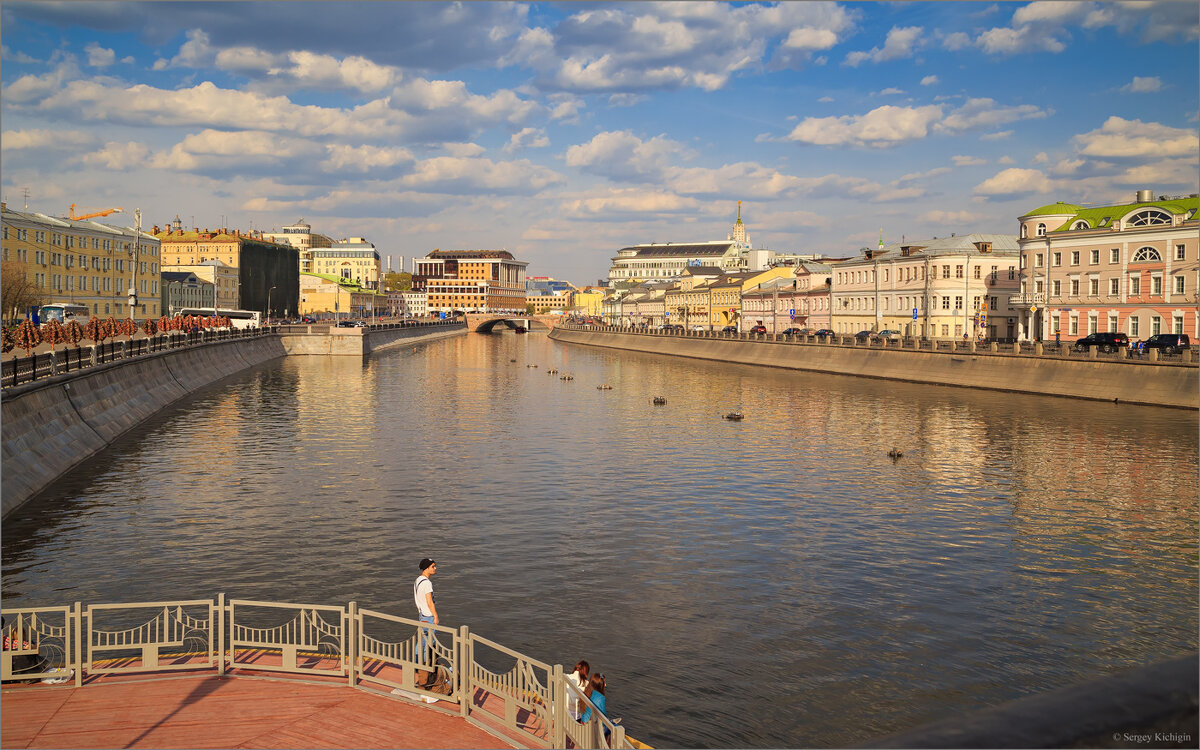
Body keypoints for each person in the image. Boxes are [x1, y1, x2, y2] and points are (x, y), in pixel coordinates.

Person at [414, 558, 438, 665]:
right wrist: (435, 616)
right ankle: (424, 667)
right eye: (432, 566)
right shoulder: (427, 583)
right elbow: (429, 602)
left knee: (421, 642)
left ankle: (417, 663)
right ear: (426, 568)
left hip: (421, 615)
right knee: (429, 643)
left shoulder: (418, 580)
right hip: (428, 616)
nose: (435, 568)